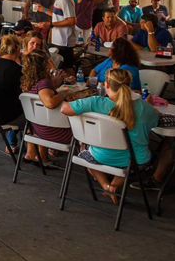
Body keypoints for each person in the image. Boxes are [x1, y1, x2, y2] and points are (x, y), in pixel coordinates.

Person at [61, 68, 160, 204]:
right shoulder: (145, 108)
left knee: (83, 145)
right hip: (136, 162)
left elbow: (64, 109)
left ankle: (106, 185)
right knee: (133, 156)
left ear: (106, 85)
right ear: (130, 85)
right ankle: (114, 185)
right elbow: (156, 121)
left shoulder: (96, 102)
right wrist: (149, 106)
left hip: (100, 156)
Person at [20, 49, 72, 164]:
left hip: (37, 128)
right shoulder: (43, 83)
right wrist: (64, 94)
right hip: (55, 133)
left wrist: (54, 86)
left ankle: (40, 156)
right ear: (45, 64)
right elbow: (50, 103)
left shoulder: (27, 80)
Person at [0, 35, 26, 149]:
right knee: (34, 116)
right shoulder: (16, 70)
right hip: (4, 117)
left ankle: (13, 143)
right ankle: (33, 153)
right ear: (18, 49)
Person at [37, 0, 77, 74]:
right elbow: (58, 15)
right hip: (58, 38)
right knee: (59, 66)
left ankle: (73, 86)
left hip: (64, 39)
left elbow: (71, 20)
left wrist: (51, 25)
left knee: (67, 67)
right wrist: (43, 9)